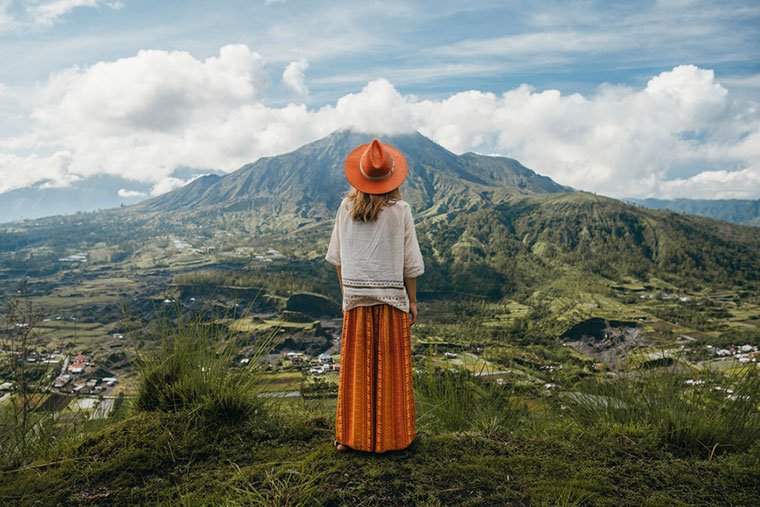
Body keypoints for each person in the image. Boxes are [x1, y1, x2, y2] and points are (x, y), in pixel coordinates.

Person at [325, 138, 424, 453]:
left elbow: (337, 259)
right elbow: (410, 264)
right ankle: (394, 439)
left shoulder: (345, 208)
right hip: (391, 302)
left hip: (355, 302)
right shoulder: (401, 211)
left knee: (357, 373)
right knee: (391, 372)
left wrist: (348, 295)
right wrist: (413, 301)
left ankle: (352, 438)